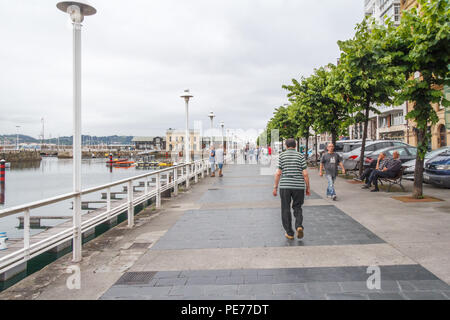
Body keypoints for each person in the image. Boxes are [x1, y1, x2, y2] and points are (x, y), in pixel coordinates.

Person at [273, 138, 311, 240]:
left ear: (286, 146)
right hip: (298, 186)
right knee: (297, 207)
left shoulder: (282, 156)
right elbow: (305, 174)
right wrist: (308, 187)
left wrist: (275, 187)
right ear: (295, 145)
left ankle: (289, 233)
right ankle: (299, 225)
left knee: (285, 209)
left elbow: (278, 173)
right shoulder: (300, 155)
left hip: (285, 186)